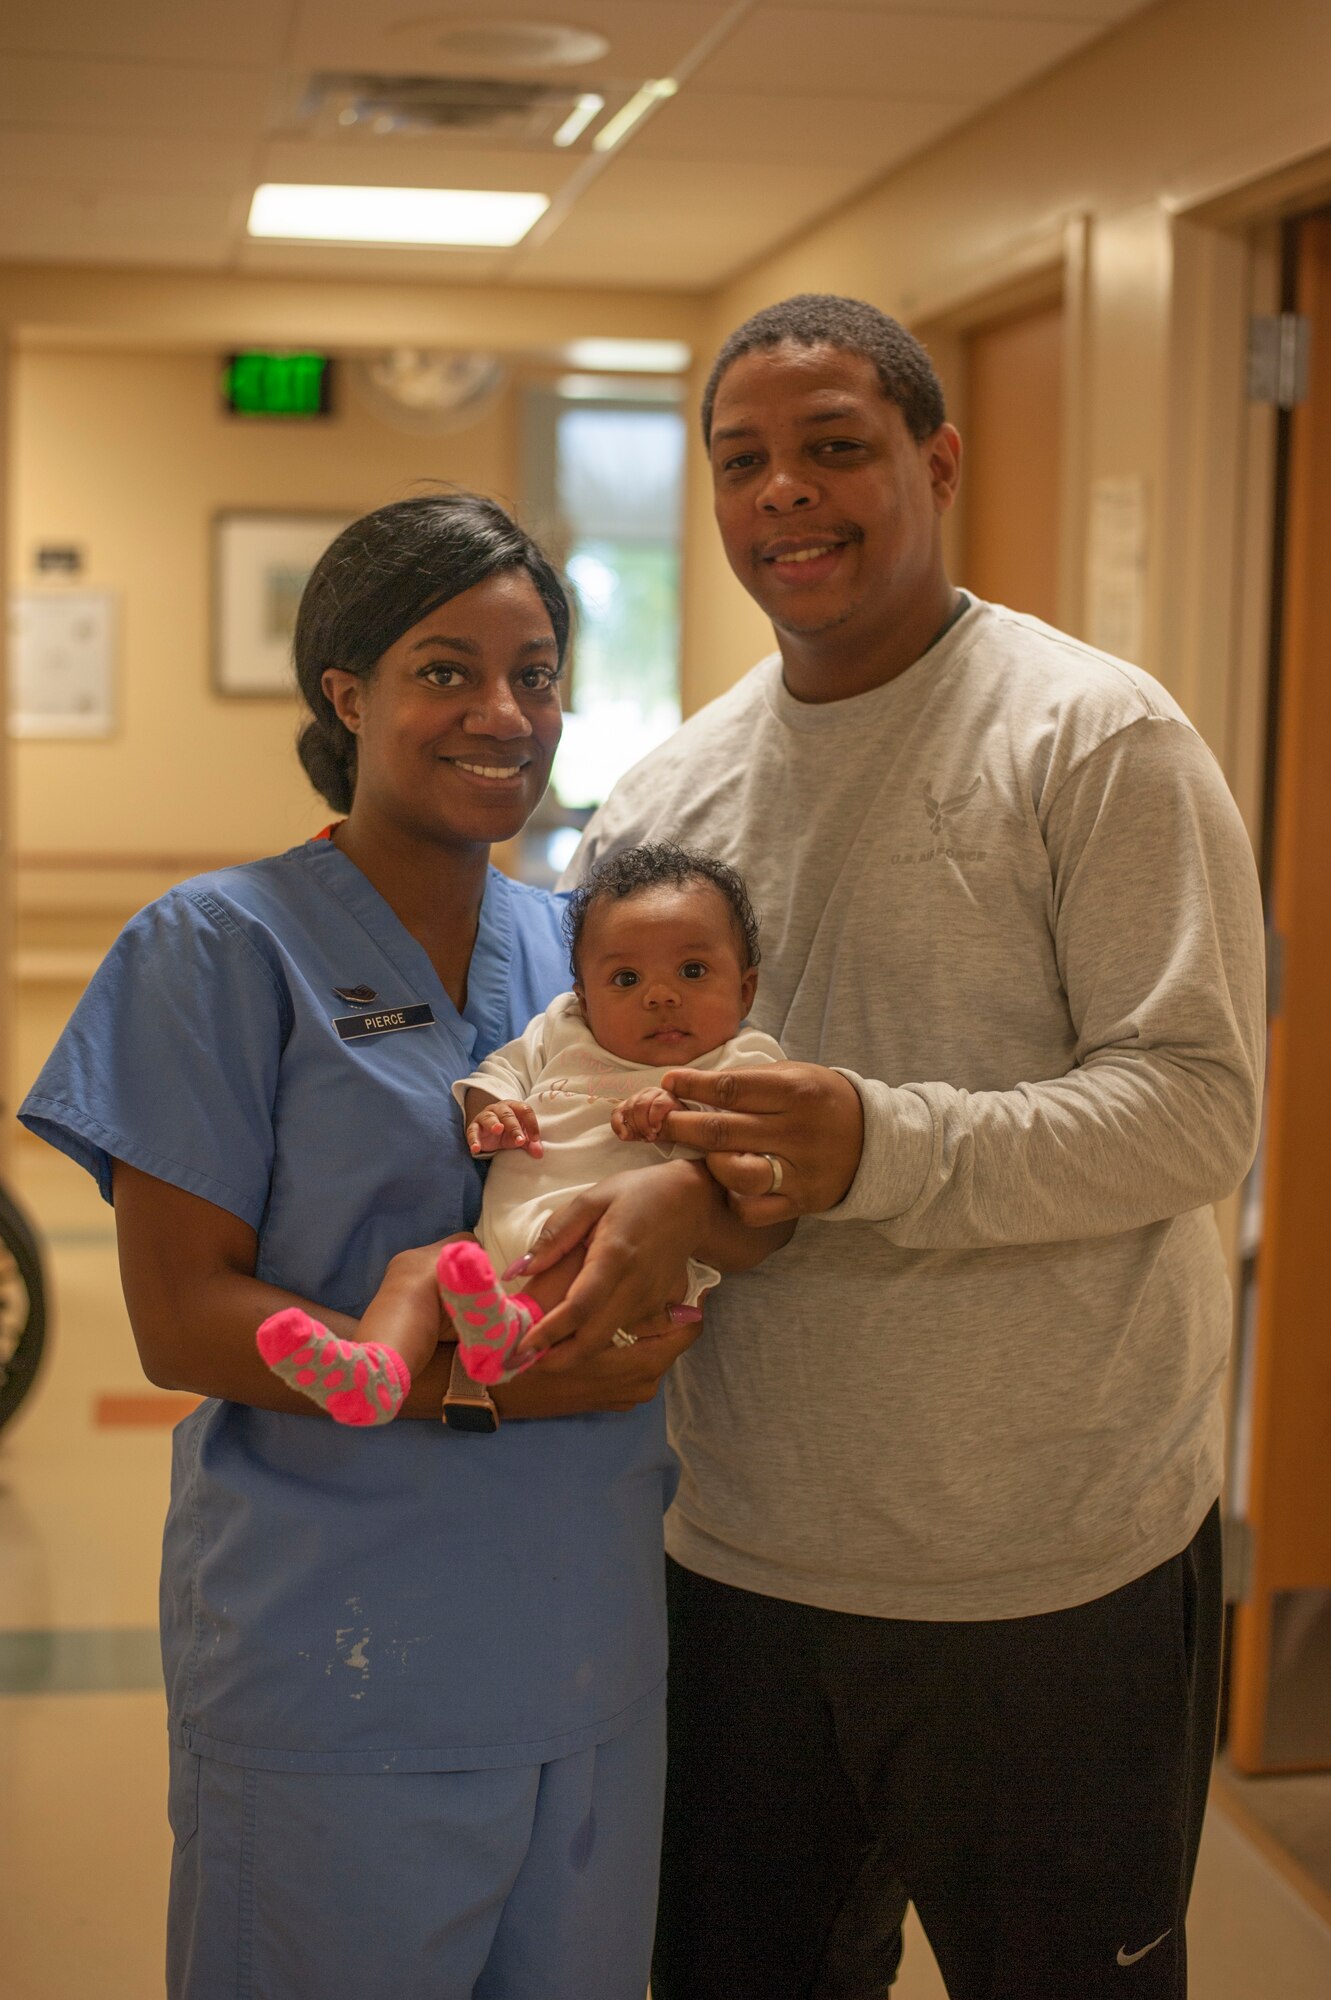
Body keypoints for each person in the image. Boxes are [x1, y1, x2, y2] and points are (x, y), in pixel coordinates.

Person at [561, 295, 1267, 1999]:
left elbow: (1196, 1106)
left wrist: (884, 1143)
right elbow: (611, 1108)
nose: (783, 495)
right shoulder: (665, 801)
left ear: (936, 464)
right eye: (743, 462)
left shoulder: (1093, 740)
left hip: (1053, 1572)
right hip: (742, 1564)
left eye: (834, 448)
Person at [18, 492, 782, 2000]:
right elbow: (178, 1318)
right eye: (445, 669)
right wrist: (478, 1388)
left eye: (535, 674)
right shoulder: (216, 948)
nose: (503, 712)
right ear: (346, 692)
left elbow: (744, 1195)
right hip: (337, 1659)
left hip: (584, 1641)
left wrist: (692, 1209)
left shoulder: (592, 955)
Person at [257, 841, 788, 1407]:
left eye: (692, 971)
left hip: (625, 1258)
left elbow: (753, 1157)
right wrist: (491, 1110)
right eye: (626, 979)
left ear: (745, 990)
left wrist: (683, 1116)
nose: (660, 995)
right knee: (416, 1269)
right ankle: (374, 1372)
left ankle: (510, 1330)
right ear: (584, 998)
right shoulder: (563, 1030)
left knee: (588, 1255)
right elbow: (501, 1071)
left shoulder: (741, 1063)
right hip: (494, 1251)